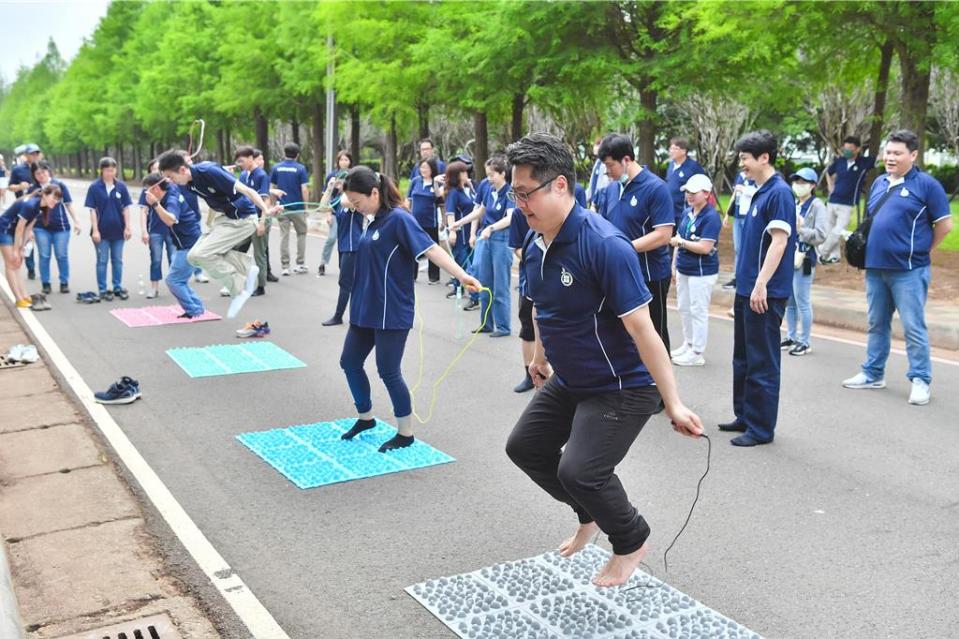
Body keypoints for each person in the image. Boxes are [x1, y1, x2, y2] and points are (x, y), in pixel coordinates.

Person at [502, 132, 703, 588]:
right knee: (525, 448)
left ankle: (630, 540)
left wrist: (672, 403)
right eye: (514, 194)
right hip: (572, 378)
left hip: (623, 385)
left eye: (525, 193)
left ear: (559, 186)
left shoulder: (604, 245)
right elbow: (542, 308)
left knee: (581, 470)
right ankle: (588, 514)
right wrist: (538, 358)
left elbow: (644, 330)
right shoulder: (537, 244)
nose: (519, 205)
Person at [337, 166, 480, 452]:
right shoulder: (373, 218)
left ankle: (405, 433)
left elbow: (431, 249)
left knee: (388, 371)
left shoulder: (399, 219)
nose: (355, 207)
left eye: (358, 202)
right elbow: (347, 200)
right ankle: (366, 417)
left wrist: (461, 275)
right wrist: (348, 195)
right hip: (365, 308)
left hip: (391, 310)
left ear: (375, 193)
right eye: (352, 203)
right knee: (349, 362)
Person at [842, 130, 953, 406]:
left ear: (913, 155)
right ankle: (873, 373)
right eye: (888, 152)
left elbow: (945, 225)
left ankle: (920, 379)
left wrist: (923, 250)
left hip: (909, 271)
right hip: (875, 268)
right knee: (876, 322)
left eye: (897, 153)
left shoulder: (927, 185)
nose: (890, 157)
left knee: (913, 326)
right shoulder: (879, 182)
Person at [717, 130, 796, 447]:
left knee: (762, 362)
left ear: (764, 157)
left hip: (765, 291)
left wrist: (762, 283)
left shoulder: (779, 193)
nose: (742, 164)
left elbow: (780, 242)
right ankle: (746, 415)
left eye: (745, 158)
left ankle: (762, 428)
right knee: (743, 358)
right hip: (747, 289)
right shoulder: (757, 191)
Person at [158, 150, 278, 319]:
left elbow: (247, 191)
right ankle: (247, 267)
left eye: (171, 176)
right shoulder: (189, 183)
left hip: (243, 219)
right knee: (192, 257)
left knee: (203, 253)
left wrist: (266, 211)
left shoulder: (209, 172)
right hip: (224, 219)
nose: (170, 181)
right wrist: (210, 227)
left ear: (183, 170)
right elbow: (214, 201)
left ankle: (240, 286)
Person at [597, 133, 675, 351]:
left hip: (650, 275)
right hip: (619, 272)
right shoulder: (611, 189)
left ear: (627, 160)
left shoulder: (656, 188)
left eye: (611, 165)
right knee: (623, 334)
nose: (608, 172)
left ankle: (660, 384)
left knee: (654, 335)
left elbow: (663, 234)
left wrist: (625, 248)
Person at [447, 157, 512, 336]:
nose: (489, 179)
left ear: (503, 174)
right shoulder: (489, 190)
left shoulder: (511, 192)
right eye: (487, 175)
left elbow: (510, 217)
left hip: (501, 239)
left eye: (492, 175)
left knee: (500, 285)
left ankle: (504, 326)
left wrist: (491, 228)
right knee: (484, 282)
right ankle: (486, 323)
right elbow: (480, 211)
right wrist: (458, 223)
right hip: (486, 238)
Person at [669, 174, 722, 367]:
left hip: (702, 271)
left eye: (694, 192)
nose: (689, 196)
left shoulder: (711, 217)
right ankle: (688, 343)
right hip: (684, 268)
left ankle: (697, 351)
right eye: (687, 192)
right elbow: (678, 238)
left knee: (698, 310)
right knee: (684, 308)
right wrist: (674, 265)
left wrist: (682, 243)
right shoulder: (687, 212)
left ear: (706, 194)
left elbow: (705, 247)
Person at [140, 173, 205, 318]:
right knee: (179, 280)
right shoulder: (171, 189)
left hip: (190, 244)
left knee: (173, 280)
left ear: (156, 189)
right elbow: (173, 183)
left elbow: (171, 220)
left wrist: (155, 204)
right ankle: (197, 307)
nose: (146, 193)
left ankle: (194, 310)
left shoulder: (171, 199)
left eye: (148, 190)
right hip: (188, 242)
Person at [781, 168, 828, 357]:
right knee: (790, 301)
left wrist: (801, 229)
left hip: (805, 258)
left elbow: (821, 235)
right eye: (797, 181)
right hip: (790, 256)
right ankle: (791, 336)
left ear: (813, 185)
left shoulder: (817, 206)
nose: (799, 185)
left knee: (802, 301)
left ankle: (804, 340)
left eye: (803, 182)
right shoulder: (794, 202)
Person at [2, 185, 63, 308]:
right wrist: (15, 250)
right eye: (53, 197)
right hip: (4, 230)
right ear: (45, 194)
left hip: (13, 232)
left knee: (18, 263)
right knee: (11, 263)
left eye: (57, 199)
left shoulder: (41, 208)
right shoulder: (31, 205)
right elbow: (19, 228)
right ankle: (18, 299)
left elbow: (27, 229)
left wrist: (22, 248)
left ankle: (24, 296)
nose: (55, 201)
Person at [27, 162, 80, 294]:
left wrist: (77, 221)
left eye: (43, 172)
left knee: (61, 255)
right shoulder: (33, 189)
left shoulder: (59, 185)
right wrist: (29, 230)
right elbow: (28, 211)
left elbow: (68, 204)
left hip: (61, 228)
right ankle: (46, 283)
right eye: (37, 173)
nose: (41, 175)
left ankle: (64, 282)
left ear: (48, 171)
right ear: (34, 175)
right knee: (44, 256)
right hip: (40, 228)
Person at [820, 135, 873, 265]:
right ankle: (834, 257)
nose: (847, 151)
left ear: (857, 149)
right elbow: (829, 172)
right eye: (845, 148)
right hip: (833, 200)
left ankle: (822, 252)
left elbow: (880, 158)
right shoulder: (840, 161)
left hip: (848, 203)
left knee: (838, 230)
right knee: (829, 229)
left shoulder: (863, 163)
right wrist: (830, 185)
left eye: (850, 148)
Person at [319, 172, 363, 326]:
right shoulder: (339, 198)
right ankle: (357, 316)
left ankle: (339, 316)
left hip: (353, 246)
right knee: (351, 283)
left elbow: (346, 202)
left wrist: (346, 186)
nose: (339, 183)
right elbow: (322, 207)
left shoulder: (352, 199)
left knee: (346, 283)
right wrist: (330, 188)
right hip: (343, 246)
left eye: (343, 180)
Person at [85, 157, 133, 301]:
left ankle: (117, 287)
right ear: (102, 171)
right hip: (101, 232)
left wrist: (128, 227)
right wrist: (95, 230)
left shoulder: (121, 187)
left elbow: (126, 208)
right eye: (107, 170)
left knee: (117, 260)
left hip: (118, 231)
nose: (110, 173)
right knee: (102, 260)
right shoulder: (94, 187)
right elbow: (92, 210)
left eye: (112, 170)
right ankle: (103, 289)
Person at [236, 146, 272, 297]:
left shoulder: (261, 175)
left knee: (259, 254)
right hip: (246, 220)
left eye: (242, 161)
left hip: (259, 219)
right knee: (237, 249)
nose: (240, 164)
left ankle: (261, 286)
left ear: (251, 158)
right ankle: (237, 281)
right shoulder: (244, 175)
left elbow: (266, 200)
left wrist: (262, 223)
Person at [270, 143, 310, 275]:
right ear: (297, 155)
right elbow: (304, 189)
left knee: (284, 236)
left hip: (282, 207)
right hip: (297, 207)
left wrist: (273, 204)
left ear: (284, 153)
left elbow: (273, 188)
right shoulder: (301, 168)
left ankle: (285, 266)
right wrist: (306, 207)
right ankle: (300, 263)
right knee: (301, 234)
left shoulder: (276, 168)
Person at [139, 161, 174, 299]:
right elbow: (143, 210)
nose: (156, 171)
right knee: (156, 259)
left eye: (159, 169)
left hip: (171, 229)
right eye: (154, 169)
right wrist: (143, 230)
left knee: (174, 258)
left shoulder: (171, 188)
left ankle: (175, 286)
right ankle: (154, 287)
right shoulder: (148, 190)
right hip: (155, 229)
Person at [439, 161, 474, 298]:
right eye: (463, 172)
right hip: (460, 233)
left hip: (471, 232)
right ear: (456, 175)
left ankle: (459, 289)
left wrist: (470, 186)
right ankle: (463, 291)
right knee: (462, 263)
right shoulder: (453, 193)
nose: (466, 174)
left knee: (467, 263)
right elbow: (450, 213)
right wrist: (452, 231)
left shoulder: (468, 188)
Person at [407, 157, 443, 283]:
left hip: (431, 222)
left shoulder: (437, 181)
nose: (423, 170)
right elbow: (408, 200)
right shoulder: (415, 181)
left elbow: (440, 199)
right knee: (412, 248)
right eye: (421, 167)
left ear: (432, 169)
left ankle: (434, 277)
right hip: (415, 221)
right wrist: (406, 214)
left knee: (432, 248)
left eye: (426, 167)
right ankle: (411, 275)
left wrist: (436, 183)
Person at [319, 151, 354, 276]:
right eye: (341, 160)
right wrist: (328, 214)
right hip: (335, 212)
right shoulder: (332, 176)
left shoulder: (353, 175)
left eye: (346, 159)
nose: (343, 162)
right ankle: (323, 262)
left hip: (350, 213)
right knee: (332, 237)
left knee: (346, 240)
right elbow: (325, 200)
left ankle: (346, 266)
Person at [10, 144, 41, 280]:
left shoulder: (44, 168)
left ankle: (44, 269)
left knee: (43, 238)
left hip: (42, 207)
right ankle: (31, 267)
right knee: (28, 238)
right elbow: (10, 187)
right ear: (26, 155)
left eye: (36, 153)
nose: (34, 156)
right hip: (25, 208)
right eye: (32, 153)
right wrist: (19, 186)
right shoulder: (18, 170)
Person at [723, 169, 756, 291]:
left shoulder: (757, 175)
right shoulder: (741, 175)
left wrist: (745, 190)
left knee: (749, 248)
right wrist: (727, 213)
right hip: (738, 215)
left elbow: (759, 193)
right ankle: (737, 277)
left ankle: (747, 277)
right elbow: (735, 193)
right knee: (738, 249)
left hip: (749, 216)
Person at [665, 137, 706, 228]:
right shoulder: (671, 165)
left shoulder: (693, 167)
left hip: (685, 211)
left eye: (675, 148)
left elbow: (703, 185)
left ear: (684, 151)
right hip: (670, 210)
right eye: (670, 148)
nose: (671, 151)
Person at [585, 136, 610, 210]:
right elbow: (592, 184)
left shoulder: (605, 164)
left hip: (599, 202)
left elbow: (604, 184)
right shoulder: (598, 162)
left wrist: (595, 202)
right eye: (596, 144)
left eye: (598, 144)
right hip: (593, 201)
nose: (595, 147)